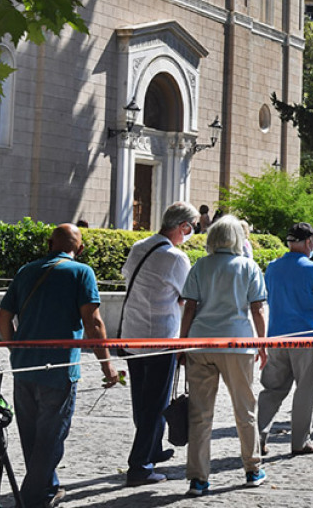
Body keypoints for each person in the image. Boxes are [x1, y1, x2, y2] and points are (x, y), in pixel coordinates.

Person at [0, 223, 121, 507]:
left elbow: (3, 319)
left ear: (50, 243)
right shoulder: (81, 272)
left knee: (31, 435)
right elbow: (94, 322)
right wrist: (107, 366)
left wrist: (15, 350)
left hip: (24, 368)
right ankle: (34, 498)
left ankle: (47, 488)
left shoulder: (25, 271)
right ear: (80, 249)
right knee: (51, 436)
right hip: (60, 368)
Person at [179, 215, 268, 497]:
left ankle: (198, 478)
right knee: (245, 410)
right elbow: (257, 309)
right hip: (237, 343)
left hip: (201, 342)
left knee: (200, 414)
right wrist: (262, 344)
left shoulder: (200, 266)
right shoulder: (248, 266)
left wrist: (183, 344)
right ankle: (253, 469)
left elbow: (189, 308)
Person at [120, 201, 198, 486]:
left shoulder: (139, 245)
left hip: (132, 334)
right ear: (183, 227)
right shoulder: (176, 258)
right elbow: (187, 296)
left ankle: (151, 450)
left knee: (142, 402)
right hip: (160, 339)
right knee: (155, 404)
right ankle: (139, 466)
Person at [258, 223, 313, 455]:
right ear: (308, 242)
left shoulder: (272, 267)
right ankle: (300, 441)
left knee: (272, 389)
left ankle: (257, 437)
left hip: (277, 337)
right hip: (306, 337)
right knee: (306, 391)